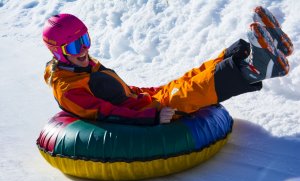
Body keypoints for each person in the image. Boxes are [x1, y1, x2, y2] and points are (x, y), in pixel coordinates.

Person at [43, 6, 293, 125]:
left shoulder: (82, 66)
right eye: (75, 46)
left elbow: (120, 91)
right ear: (59, 52)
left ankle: (251, 52)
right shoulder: (69, 89)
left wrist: (148, 91)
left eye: (85, 40)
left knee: (189, 77)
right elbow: (106, 113)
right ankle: (254, 68)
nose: (85, 49)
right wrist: (151, 115)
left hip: (145, 99)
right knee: (189, 92)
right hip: (147, 112)